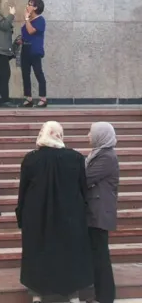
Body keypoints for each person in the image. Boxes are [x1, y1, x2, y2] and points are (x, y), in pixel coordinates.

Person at [16, 121, 93, 302]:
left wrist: (21, 216)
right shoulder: (75, 158)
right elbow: (83, 189)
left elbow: (23, 191)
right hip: (70, 216)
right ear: (59, 134)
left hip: (37, 216)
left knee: (37, 252)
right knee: (70, 252)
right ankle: (73, 295)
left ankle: (37, 295)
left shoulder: (31, 159)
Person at [86, 122, 119, 303]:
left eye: (91, 133)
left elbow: (86, 177)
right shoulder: (98, 153)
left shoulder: (107, 157)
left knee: (100, 256)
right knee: (96, 254)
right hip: (94, 211)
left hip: (99, 213)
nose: (88, 136)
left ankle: (105, 297)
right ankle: (100, 295)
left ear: (101, 135)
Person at [20, 0, 48, 108]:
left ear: (36, 7)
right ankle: (28, 98)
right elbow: (25, 34)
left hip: (35, 50)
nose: (27, 6)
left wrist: (26, 19)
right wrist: (20, 40)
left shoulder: (40, 20)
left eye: (30, 4)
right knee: (25, 74)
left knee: (38, 73)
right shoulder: (28, 20)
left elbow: (31, 31)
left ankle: (43, 98)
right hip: (25, 49)